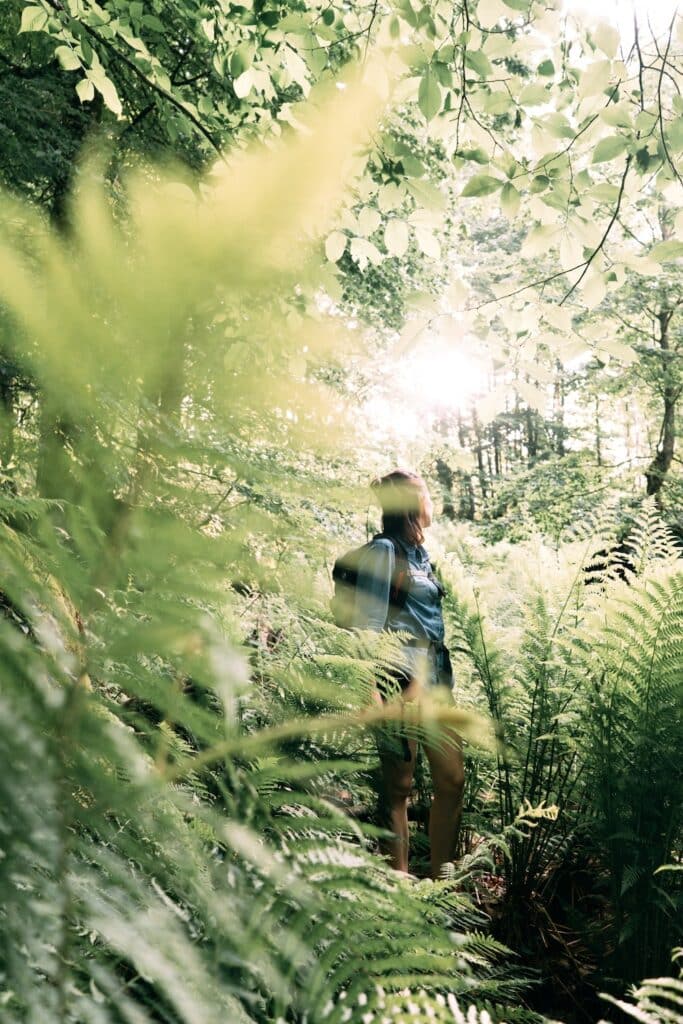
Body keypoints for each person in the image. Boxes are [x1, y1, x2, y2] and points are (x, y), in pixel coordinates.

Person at [352, 469, 464, 879]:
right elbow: (367, 626)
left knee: (452, 779)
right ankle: (399, 883)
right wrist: (372, 695)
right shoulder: (384, 551)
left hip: (435, 675)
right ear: (414, 502)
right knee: (399, 786)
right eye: (429, 495)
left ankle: (441, 884)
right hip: (398, 674)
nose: (434, 502)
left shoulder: (420, 556)